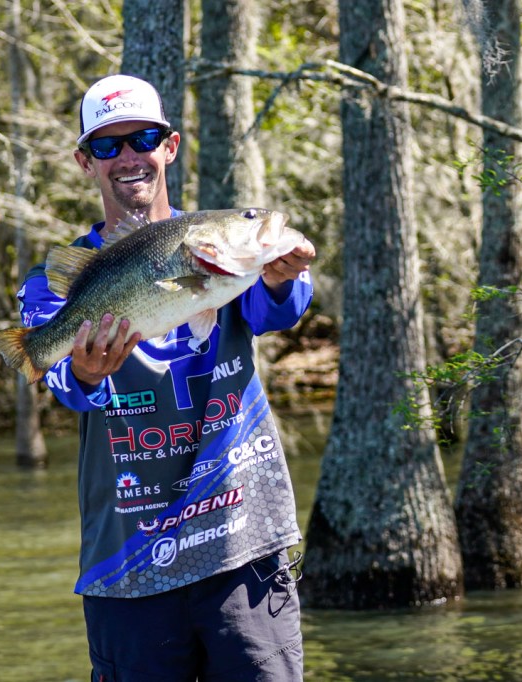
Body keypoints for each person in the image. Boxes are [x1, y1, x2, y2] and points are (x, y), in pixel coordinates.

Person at [16, 74, 316, 681]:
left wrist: (281, 273)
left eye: (145, 139)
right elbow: (65, 385)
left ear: (170, 146)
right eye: (109, 145)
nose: (130, 156)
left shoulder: (219, 252)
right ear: (85, 161)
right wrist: (83, 369)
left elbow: (277, 311)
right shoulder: (51, 286)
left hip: (242, 547)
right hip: (129, 563)